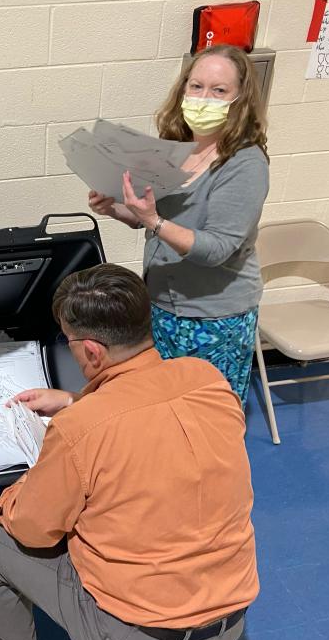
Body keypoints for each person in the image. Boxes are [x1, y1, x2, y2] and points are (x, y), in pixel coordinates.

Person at [0, 263, 258, 640]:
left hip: (136, 631)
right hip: (230, 619)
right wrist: (73, 401)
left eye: (66, 339)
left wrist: (27, 484)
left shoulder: (80, 430)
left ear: (91, 350)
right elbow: (146, 419)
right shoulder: (208, 381)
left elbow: (32, 529)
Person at [88, 45, 270, 407]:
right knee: (165, 406)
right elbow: (154, 221)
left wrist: (153, 220)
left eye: (219, 91)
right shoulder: (177, 147)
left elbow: (216, 249)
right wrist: (115, 209)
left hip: (213, 315)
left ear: (240, 99)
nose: (204, 98)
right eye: (197, 86)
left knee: (208, 412)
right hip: (162, 305)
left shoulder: (245, 163)